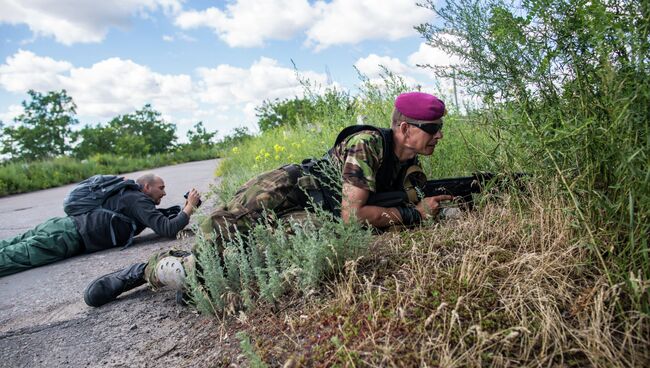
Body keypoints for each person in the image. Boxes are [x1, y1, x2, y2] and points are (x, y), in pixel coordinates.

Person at [84, 92, 453, 307]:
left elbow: (403, 204)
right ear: (404, 128)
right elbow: (352, 216)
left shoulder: (410, 168)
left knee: (252, 259)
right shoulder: (369, 144)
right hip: (289, 186)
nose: (438, 136)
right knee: (217, 234)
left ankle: (196, 277)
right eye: (432, 129)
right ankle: (146, 269)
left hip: (315, 213)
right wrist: (414, 214)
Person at [0, 174, 201, 277]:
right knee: (12, 258)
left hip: (59, 227)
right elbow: (167, 229)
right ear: (146, 187)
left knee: (9, 246)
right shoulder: (137, 200)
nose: (164, 193)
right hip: (64, 237)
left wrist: (185, 208)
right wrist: (190, 207)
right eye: (161, 188)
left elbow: (162, 221)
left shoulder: (130, 196)